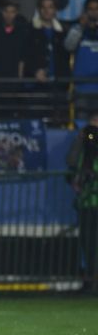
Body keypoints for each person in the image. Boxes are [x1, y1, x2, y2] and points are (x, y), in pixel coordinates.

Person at [67, 111, 98, 291]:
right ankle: (89, 279)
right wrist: (81, 138)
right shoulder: (83, 147)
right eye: (92, 124)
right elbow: (71, 160)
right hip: (86, 203)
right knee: (87, 243)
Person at [65, 0, 98, 118]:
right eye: (90, 9)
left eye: (96, 9)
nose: (94, 12)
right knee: (83, 126)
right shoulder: (77, 29)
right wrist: (81, 26)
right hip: (82, 88)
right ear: (85, 11)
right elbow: (69, 46)